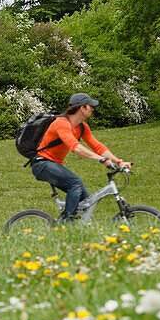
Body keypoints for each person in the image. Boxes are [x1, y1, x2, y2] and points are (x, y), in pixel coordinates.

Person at [31, 93, 131, 224]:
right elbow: (75, 147)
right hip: (42, 164)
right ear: (82, 108)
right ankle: (65, 225)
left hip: (54, 165)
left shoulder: (82, 127)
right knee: (75, 183)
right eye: (91, 106)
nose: (93, 109)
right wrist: (100, 159)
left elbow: (98, 147)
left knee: (84, 197)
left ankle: (65, 225)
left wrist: (118, 161)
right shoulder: (61, 123)